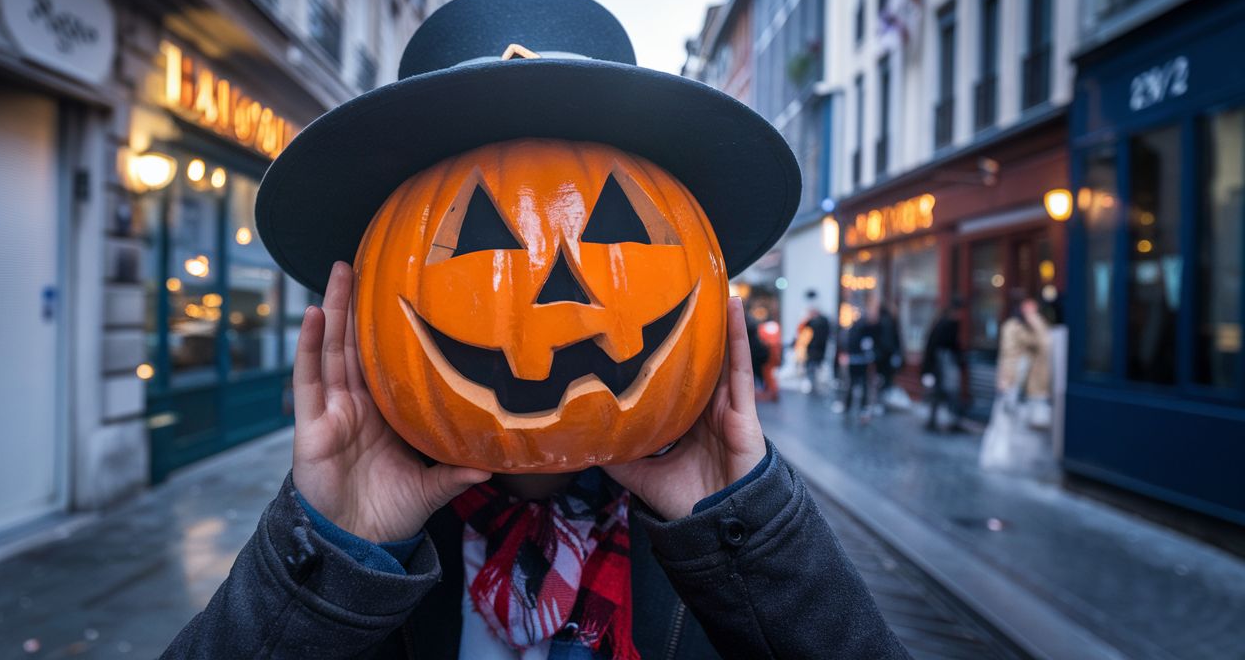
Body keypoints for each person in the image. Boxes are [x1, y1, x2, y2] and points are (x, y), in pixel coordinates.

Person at [160, 263, 910, 659]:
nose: (554, 290)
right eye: (478, 235)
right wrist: (330, 549)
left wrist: (748, 527)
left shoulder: (717, 549)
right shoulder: (368, 548)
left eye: (608, 225)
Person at [979, 293, 1053, 472]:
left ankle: (1004, 458)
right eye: (1029, 308)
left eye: (1034, 309)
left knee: (1010, 424)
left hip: (1020, 385)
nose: (1032, 311)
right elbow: (1043, 343)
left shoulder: (1019, 328)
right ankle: (1000, 458)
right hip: (1014, 384)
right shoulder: (1016, 329)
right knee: (1006, 424)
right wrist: (1036, 322)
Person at [920, 298, 966, 432]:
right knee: (949, 392)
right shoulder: (948, 324)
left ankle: (935, 420)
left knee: (938, 393)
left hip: (939, 365)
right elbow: (948, 346)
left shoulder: (941, 323)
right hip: (944, 365)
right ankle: (952, 420)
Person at [837, 302, 878, 424]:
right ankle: (861, 408)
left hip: (855, 359)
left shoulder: (855, 328)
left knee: (852, 383)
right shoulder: (865, 327)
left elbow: (849, 342)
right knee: (862, 384)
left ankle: (849, 406)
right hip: (861, 359)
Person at [795, 291, 831, 395]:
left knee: (812, 368)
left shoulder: (815, 322)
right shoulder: (819, 321)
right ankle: (813, 385)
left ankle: (813, 385)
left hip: (814, 349)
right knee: (813, 368)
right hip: (815, 349)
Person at [872, 300, 903, 412]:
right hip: (887, 356)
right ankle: (883, 403)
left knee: (882, 380)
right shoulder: (890, 321)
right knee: (885, 380)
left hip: (884, 357)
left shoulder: (884, 322)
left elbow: (886, 342)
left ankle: (882, 403)